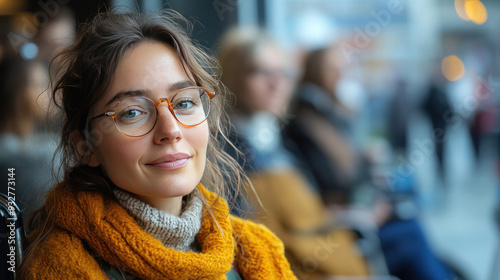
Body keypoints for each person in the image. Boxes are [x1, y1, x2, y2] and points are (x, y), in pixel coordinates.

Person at [19, 11, 296, 279]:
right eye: (132, 112)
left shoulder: (257, 249)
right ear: (85, 148)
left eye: (185, 102)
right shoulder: (59, 268)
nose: (171, 130)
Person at [218, 28, 371, 279]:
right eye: (260, 72)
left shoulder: (279, 139)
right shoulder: (223, 151)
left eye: (283, 73)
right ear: (232, 77)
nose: (276, 84)